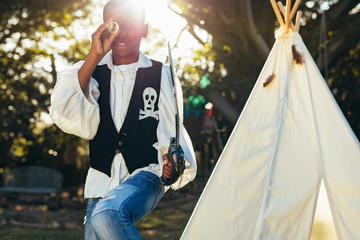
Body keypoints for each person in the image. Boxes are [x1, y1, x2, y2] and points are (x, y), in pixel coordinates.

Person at [49, 0, 197, 239]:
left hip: (147, 173)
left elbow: (172, 131)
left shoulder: (162, 74)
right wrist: (95, 55)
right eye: (114, 24)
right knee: (100, 222)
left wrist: (171, 168)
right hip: (101, 180)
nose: (121, 32)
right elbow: (65, 111)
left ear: (145, 30)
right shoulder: (91, 72)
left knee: (107, 215)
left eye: (131, 24)